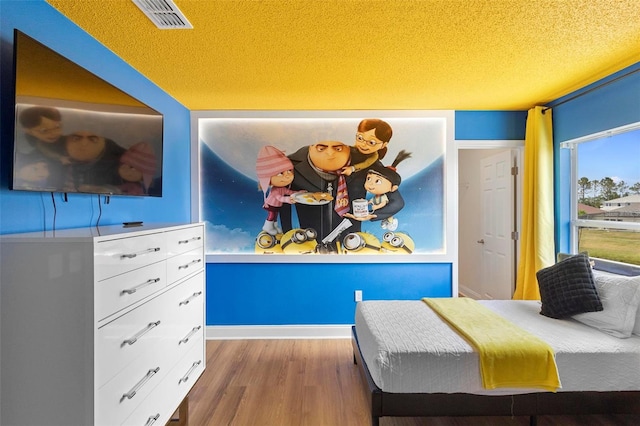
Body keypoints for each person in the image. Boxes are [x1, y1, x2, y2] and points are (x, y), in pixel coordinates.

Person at [280, 140, 367, 246]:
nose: (330, 153)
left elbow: (390, 191)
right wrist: (287, 234)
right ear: (310, 147)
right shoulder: (289, 165)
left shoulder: (365, 162)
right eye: (321, 148)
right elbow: (280, 200)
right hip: (310, 240)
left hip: (353, 243)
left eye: (338, 148)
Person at [345, 150, 410, 230]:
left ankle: (390, 221)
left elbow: (396, 202)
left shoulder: (375, 166)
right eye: (368, 179)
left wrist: (373, 214)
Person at [255, 145, 300, 235]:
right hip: (272, 204)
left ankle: (274, 226)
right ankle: (267, 226)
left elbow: (288, 192)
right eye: (280, 173)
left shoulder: (282, 188)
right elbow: (279, 198)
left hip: (277, 205)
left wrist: (298, 193)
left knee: (275, 216)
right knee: (272, 215)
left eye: (289, 171)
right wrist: (287, 199)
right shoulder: (275, 190)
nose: (287, 176)